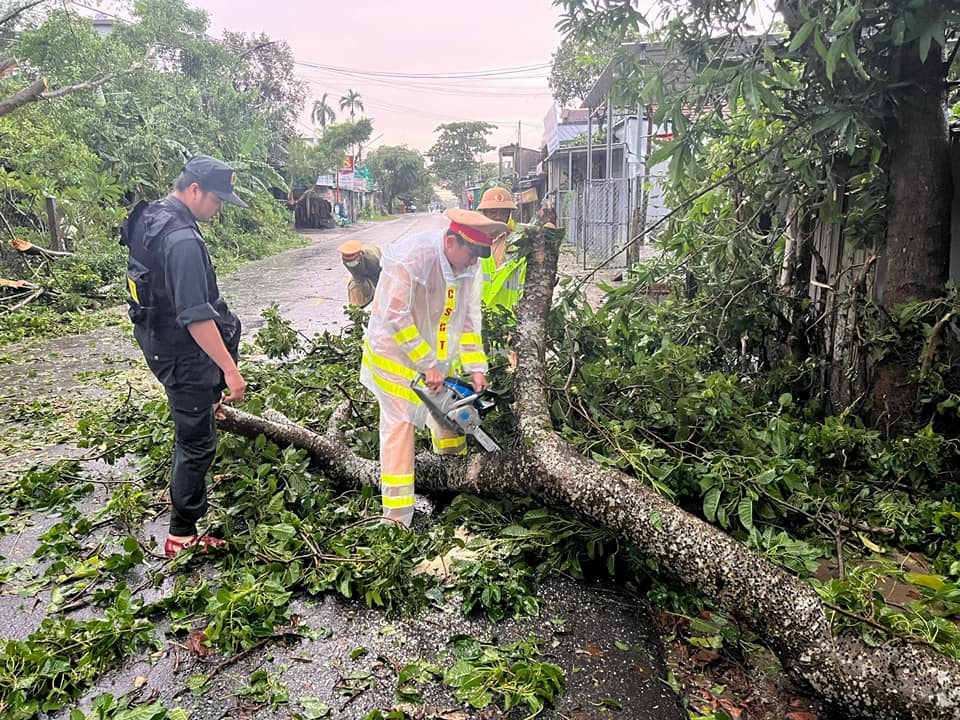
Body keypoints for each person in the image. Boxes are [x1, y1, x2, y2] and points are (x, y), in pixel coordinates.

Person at [120, 155, 248, 558]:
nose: (220, 207)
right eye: (216, 199)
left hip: (157, 340)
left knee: (193, 424)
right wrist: (230, 370)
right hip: (181, 351)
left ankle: (182, 515)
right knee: (197, 442)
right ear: (194, 190)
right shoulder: (183, 241)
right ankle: (181, 533)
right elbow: (195, 317)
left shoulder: (154, 215)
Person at [359, 208, 510, 527]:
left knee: (450, 414)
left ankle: (450, 487)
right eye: (471, 254)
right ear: (452, 242)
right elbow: (395, 315)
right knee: (402, 423)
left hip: (431, 350)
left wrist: (476, 367)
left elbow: (467, 321)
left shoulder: (468, 268)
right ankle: (397, 518)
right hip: (393, 351)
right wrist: (427, 364)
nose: (474, 262)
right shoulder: (413, 258)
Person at [476, 187, 525, 310]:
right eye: (493, 212)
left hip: (511, 319)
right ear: (484, 213)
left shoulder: (521, 241)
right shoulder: (472, 242)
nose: (499, 217)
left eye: (503, 212)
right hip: (481, 319)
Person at [337, 239, 382, 307]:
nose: (351, 263)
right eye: (348, 261)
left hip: (377, 270)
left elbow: (381, 276)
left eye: (353, 260)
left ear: (359, 255)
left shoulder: (372, 259)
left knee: (379, 288)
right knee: (355, 286)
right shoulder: (346, 261)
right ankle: (358, 306)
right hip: (362, 272)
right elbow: (357, 277)